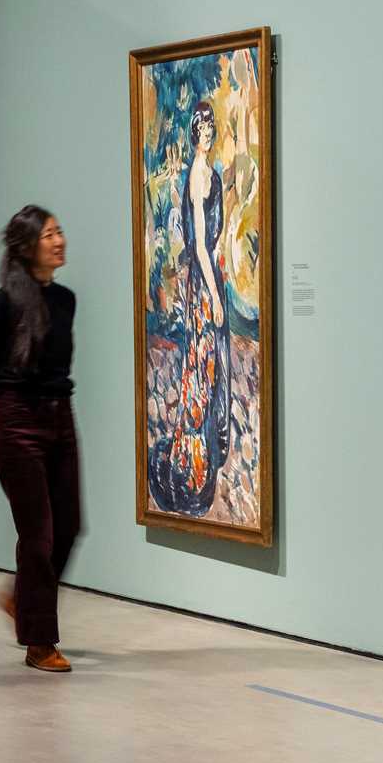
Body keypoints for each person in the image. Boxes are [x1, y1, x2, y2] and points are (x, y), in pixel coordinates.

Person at [0, 205, 81, 672]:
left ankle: (20, 599)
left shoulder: (66, 300)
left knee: (70, 524)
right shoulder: (4, 303)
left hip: (60, 418)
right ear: (27, 246)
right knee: (37, 535)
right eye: (49, 234)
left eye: (60, 232)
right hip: (19, 423)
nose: (59, 241)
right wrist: (13, 410)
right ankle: (39, 642)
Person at [148, 101, 231, 516]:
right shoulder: (199, 176)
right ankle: (193, 464)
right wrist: (214, 295)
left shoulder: (207, 174)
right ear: (195, 134)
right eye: (205, 129)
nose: (210, 134)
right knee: (201, 368)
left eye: (212, 129)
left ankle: (202, 459)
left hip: (208, 277)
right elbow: (198, 244)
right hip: (204, 284)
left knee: (207, 367)